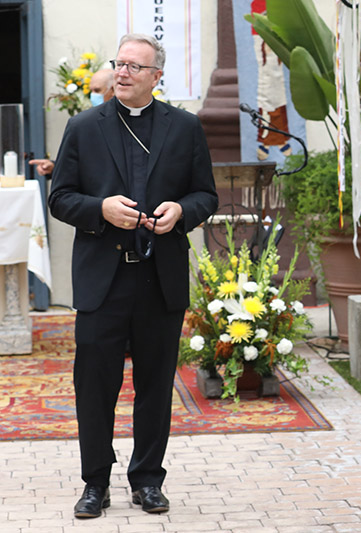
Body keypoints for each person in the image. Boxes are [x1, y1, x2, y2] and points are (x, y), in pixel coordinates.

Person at [48, 33, 218, 519]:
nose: (121, 73)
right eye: (118, 64)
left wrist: (180, 211)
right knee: (95, 386)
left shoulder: (184, 128)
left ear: (156, 77)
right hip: (103, 281)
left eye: (134, 67)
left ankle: (147, 480)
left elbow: (206, 195)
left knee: (155, 385)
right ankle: (95, 483)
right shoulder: (83, 126)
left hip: (158, 279)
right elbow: (60, 198)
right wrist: (100, 208)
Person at [29, 68, 116, 177]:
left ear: (113, 90)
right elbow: (84, 163)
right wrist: (55, 167)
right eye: (91, 91)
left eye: (97, 90)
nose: (93, 96)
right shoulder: (85, 122)